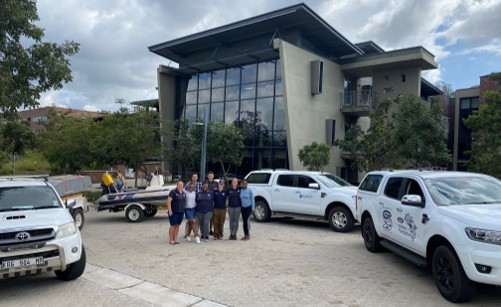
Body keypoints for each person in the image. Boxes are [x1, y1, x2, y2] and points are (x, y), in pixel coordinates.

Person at [184, 173, 202, 238]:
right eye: (193, 177)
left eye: (196, 177)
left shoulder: (200, 184)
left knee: (196, 220)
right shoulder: (188, 184)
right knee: (189, 220)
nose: (195, 178)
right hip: (189, 205)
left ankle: (195, 232)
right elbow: (184, 191)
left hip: (197, 204)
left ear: (197, 178)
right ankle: (187, 233)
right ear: (192, 178)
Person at [206, 171, 218, 235]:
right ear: (208, 176)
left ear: (213, 176)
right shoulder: (205, 182)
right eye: (209, 176)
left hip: (214, 202)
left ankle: (211, 230)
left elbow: (217, 190)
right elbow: (204, 190)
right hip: (207, 202)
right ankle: (206, 230)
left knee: (212, 217)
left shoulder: (216, 183)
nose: (210, 177)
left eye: (211, 176)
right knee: (207, 216)